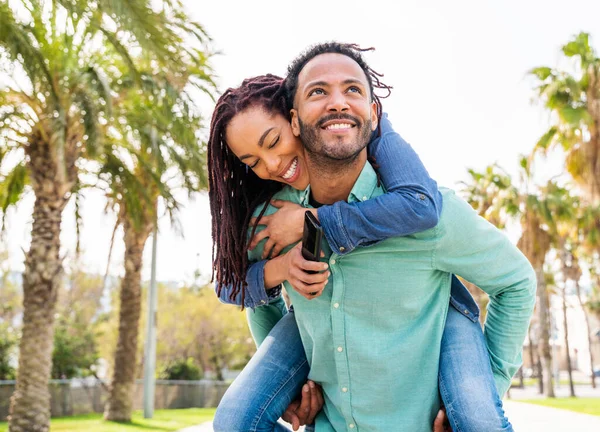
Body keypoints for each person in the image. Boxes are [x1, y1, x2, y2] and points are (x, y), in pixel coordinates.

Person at [209, 44, 533, 431]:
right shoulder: (274, 220)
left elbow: (514, 280)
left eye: (272, 143)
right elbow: (242, 290)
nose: (273, 165)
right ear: (296, 119)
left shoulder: (421, 206)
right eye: (253, 162)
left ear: (374, 113)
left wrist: (488, 390)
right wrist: (290, 386)